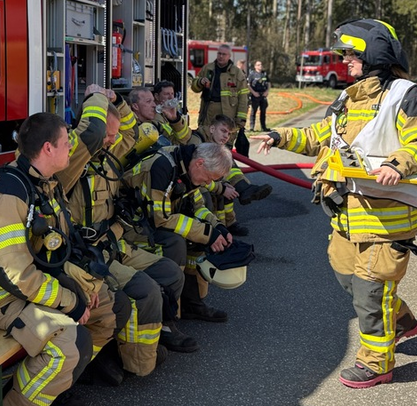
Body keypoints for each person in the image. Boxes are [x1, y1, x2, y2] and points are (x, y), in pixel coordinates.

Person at [257, 19, 417, 389]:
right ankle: (403, 320)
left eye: (351, 54)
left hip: (387, 220)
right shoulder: (348, 97)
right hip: (347, 217)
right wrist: (281, 135)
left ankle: (377, 363)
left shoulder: (405, 94)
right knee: (348, 279)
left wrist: (397, 163)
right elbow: (319, 136)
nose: (345, 61)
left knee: (371, 294)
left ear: (374, 52)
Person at [0, 112, 125, 406]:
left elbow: (52, 251)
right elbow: (14, 275)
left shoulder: (44, 183)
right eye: (65, 143)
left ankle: (56, 387)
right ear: (48, 149)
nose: (70, 149)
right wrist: (70, 301)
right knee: (69, 345)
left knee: (111, 308)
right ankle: (18, 400)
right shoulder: (7, 196)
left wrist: (80, 287)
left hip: (26, 284)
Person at [56, 86, 198, 374]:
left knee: (170, 273)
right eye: (109, 134)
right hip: (84, 256)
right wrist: (94, 96)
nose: (112, 140)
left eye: (114, 134)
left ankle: (159, 335)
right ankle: (136, 362)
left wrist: (117, 100)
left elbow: (131, 133)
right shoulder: (72, 163)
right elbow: (92, 133)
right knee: (143, 292)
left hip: (114, 245)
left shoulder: (110, 156)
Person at [119, 142, 234, 323]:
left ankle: (192, 303)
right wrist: (207, 233)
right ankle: (169, 318)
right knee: (175, 242)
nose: (209, 183)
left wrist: (217, 227)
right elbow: (160, 219)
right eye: (209, 178)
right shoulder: (162, 167)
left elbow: (198, 207)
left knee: (199, 238)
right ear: (200, 163)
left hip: (149, 222)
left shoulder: (187, 167)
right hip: (130, 227)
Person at [193, 115, 273, 236]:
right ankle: (217, 229)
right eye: (223, 131)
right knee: (216, 194)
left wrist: (224, 186)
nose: (226, 136)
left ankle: (229, 224)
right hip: (195, 184)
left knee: (229, 186)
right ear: (212, 129)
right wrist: (222, 187)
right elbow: (197, 175)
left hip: (208, 181)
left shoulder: (214, 142)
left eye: (229, 134)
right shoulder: (198, 140)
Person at [190, 44, 249, 146]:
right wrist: (200, 81)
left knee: (224, 146)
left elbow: (243, 98)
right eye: (219, 53)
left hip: (227, 114)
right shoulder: (207, 68)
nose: (221, 56)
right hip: (208, 112)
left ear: (229, 56)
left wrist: (240, 120)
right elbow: (194, 88)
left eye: (224, 54)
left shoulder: (237, 73)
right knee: (206, 145)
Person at [247, 60, 271, 132]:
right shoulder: (252, 74)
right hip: (255, 95)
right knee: (253, 112)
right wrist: (254, 92)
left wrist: (267, 91)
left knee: (263, 112)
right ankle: (252, 127)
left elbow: (269, 83)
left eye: (261, 65)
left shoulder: (264, 74)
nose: (260, 66)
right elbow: (248, 84)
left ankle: (263, 127)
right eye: (258, 65)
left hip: (263, 95)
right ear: (255, 66)